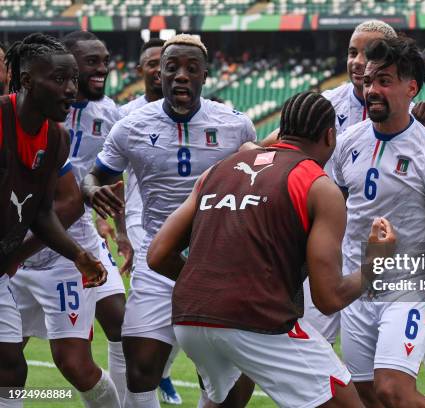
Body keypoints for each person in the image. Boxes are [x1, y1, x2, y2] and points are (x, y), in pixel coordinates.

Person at [147, 91, 395, 408]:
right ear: (329, 136)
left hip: (190, 319)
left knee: (228, 399)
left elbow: (158, 254)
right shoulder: (319, 185)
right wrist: (374, 265)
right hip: (254, 316)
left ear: (281, 131)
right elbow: (328, 298)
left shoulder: (219, 169)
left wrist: (214, 285)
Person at [81, 33, 257, 408]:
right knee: (141, 367)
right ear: (159, 73)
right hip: (157, 258)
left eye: (191, 69)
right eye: (172, 67)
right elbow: (94, 175)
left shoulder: (235, 126)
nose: (181, 75)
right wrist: (93, 191)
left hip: (217, 262)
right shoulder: (130, 127)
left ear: (205, 76)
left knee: (225, 378)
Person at [332, 37, 425, 408]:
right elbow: (339, 215)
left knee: (394, 390)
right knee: (366, 395)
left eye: (384, 81)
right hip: (358, 287)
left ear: (411, 88)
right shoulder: (348, 143)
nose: (372, 89)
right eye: (370, 80)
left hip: (408, 288)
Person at [9, 30, 130, 405]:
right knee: (7, 359)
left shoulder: (91, 120)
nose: (101, 70)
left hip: (63, 248)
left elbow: (73, 199)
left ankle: (132, 397)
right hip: (19, 252)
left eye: (105, 62)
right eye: (87, 64)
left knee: (94, 347)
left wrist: (117, 231)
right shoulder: (17, 117)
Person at [117, 37, 183, 405]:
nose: (160, 70)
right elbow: (111, 178)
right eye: (153, 63)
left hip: (190, 232)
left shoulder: (209, 117)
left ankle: (167, 371)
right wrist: (122, 232)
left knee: (191, 319)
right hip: (145, 228)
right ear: (143, 70)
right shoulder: (127, 117)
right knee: (148, 323)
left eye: (166, 62)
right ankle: (155, 376)